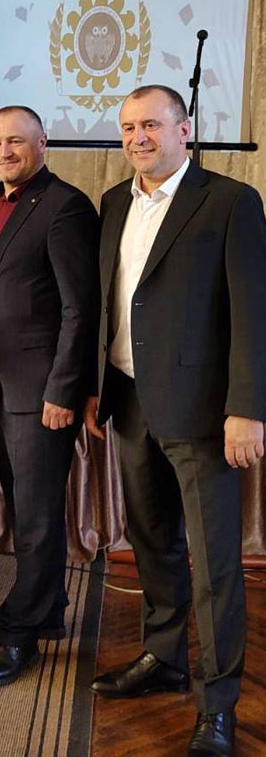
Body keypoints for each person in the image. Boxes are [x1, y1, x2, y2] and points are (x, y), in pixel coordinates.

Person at [84, 85, 266, 756]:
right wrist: (95, 388)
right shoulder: (112, 203)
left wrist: (247, 408)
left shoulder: (230, 201)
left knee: (214, 563)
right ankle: (164, 658)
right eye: (129, 127)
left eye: (152, 125)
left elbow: (253, 311)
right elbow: (110, 304)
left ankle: (217, 706)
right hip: (129, 401)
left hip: (202, 412)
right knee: (152, 540)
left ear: (184, 130)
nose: (139, 138)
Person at [0, 105, 100, 688]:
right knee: (26, 508)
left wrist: (63, 389)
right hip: (1, 384)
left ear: (43, 142)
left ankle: (20, 633)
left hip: (43, 389)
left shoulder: (66, 205)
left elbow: (79, 308)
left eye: (15, 142)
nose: (3, 152)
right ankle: (47, 610)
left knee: (38, 516)